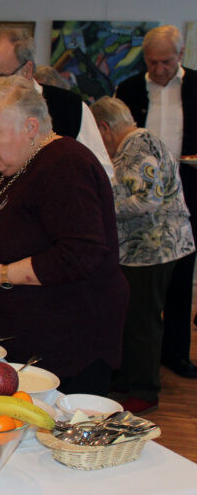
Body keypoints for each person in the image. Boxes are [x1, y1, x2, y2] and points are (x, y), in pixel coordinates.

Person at [0, 76, 127, 395]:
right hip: (34, 346)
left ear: (31, 128)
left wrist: (2, 274)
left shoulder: (66, 164)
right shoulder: (22, 167)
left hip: (68, 349)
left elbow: (81, 254)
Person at [0, 28, 113, 247]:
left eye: (0, 77)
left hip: (60, 248)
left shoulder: (71, 109)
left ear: (27, 70)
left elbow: (104, 181)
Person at [91, 96, 194, 413]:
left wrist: (103, 211)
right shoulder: (141, 143)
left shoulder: (138, 143)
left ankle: (144, 390)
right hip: (150, 249)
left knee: (142, 322)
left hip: (152, 249)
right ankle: (129, 380)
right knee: (134, 318)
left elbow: (147, 199)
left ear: (105, 128)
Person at [115, 25, 197, 379]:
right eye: (152, 62)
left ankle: (176, 354)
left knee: (181, 275)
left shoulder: (194, 84)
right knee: (143, 291)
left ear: (180, 56)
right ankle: (140, 360)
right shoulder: (131, 88)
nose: (159, 69)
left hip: (188, 189)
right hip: (139, 194)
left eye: (166, 61)